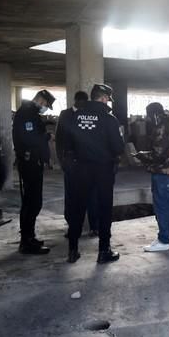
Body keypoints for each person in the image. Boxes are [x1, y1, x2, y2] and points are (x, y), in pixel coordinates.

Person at [58, 83, 124, 264]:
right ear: (103, 98)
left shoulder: (74, 116)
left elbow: (65, 143)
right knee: (104, 209)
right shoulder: (109, 119)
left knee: (76, 208)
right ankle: (104, 251)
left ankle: (72, 250)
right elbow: (118, 147)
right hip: (103, 170)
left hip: (79, 170)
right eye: (107, 99)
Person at [12, 89, 55, 255]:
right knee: (32, 203)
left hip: (33, 162)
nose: (44, 108)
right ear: (40, 100)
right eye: (45, 105)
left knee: (34, 202)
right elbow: (30, 138)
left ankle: (30, 237)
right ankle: (26, 242)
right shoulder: (26, 114)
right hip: (29, 163)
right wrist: (46, 137)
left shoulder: (30, 113)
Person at [135, 102, 169, 252]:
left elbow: (158, 154)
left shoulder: (161, 127)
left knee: (161, 206)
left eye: (149, 116)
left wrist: (142, 156)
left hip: (162, 173)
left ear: (154, 114)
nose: (148, 119)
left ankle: (163, 240)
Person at [56, 90, 99, 237]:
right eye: (80, 103)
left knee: (92, 196)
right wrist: (63, 162)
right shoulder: (65, 115)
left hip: (89, 164)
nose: (82, 106)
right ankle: (73, 227)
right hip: (71, 164)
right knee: (72, 197)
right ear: (75, 101)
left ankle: (94, 226)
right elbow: (59, 140)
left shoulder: (89, 116)